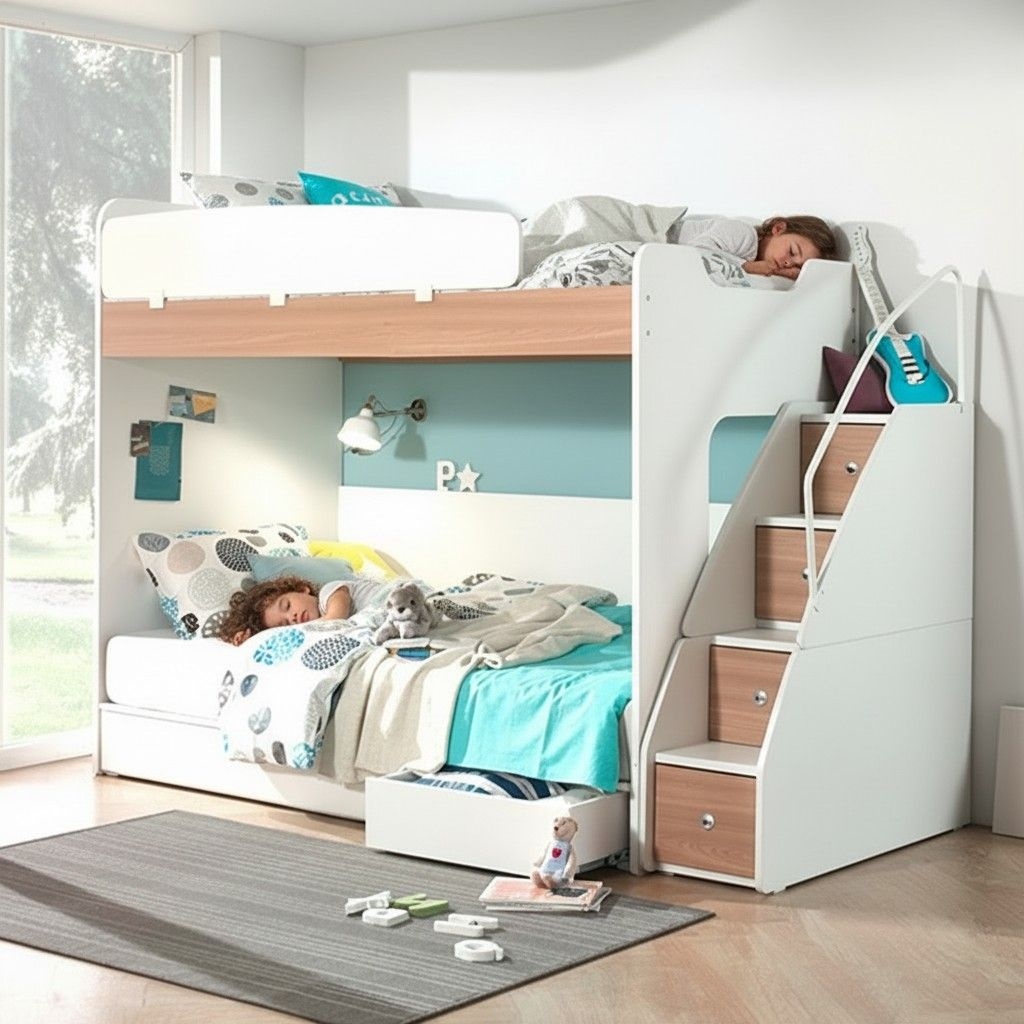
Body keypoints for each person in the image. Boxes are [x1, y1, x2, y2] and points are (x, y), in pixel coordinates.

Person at [217, 574, 385, 646]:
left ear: (302, 589)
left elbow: (335, 619)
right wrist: (252, 639)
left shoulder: (328, 593)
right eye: (285, 624)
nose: (293, 617)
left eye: (287, 606)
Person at [672, 214, 838, 280]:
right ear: (778, 228)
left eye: (798, 267)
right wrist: (748, 267)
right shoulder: (744, 234)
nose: (789, 263)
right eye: (792, 252)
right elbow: (694, 254)